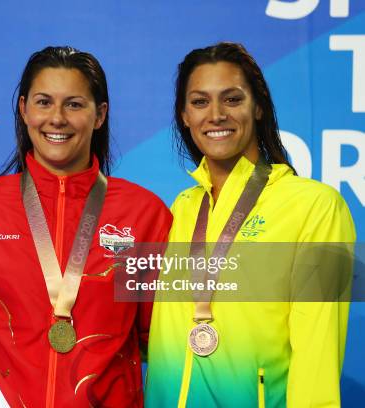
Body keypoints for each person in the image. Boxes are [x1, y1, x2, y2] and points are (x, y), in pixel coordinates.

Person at [0, 46, 172, 407]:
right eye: (44, 102)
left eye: (75, 104)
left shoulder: (144, 214)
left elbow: (158, 335)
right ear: (24, 110)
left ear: (100, 115)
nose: (57, 118)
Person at [145, 42, 356, 407]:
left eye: (232, 99)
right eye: (199, 102)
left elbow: (317, 352)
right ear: (184, 115)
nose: (215, 115)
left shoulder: (316, 206)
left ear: (258, 107)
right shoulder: (182, 208)